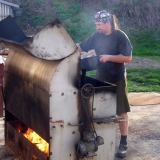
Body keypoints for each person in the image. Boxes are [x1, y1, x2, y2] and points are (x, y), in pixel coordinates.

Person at [76, 10, 132, 158]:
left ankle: (124, 142)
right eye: (96, 24)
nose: (97, 27)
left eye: (99, 24)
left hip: (117, 77)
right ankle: (100, 140)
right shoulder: (97, 36)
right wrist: (67, 47)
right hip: (101, 76)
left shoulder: (120, 36)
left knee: (121, 110)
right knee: (98, 110)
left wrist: (109, 57)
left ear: (108, 23)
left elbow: (128, 57)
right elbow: (81, 47)